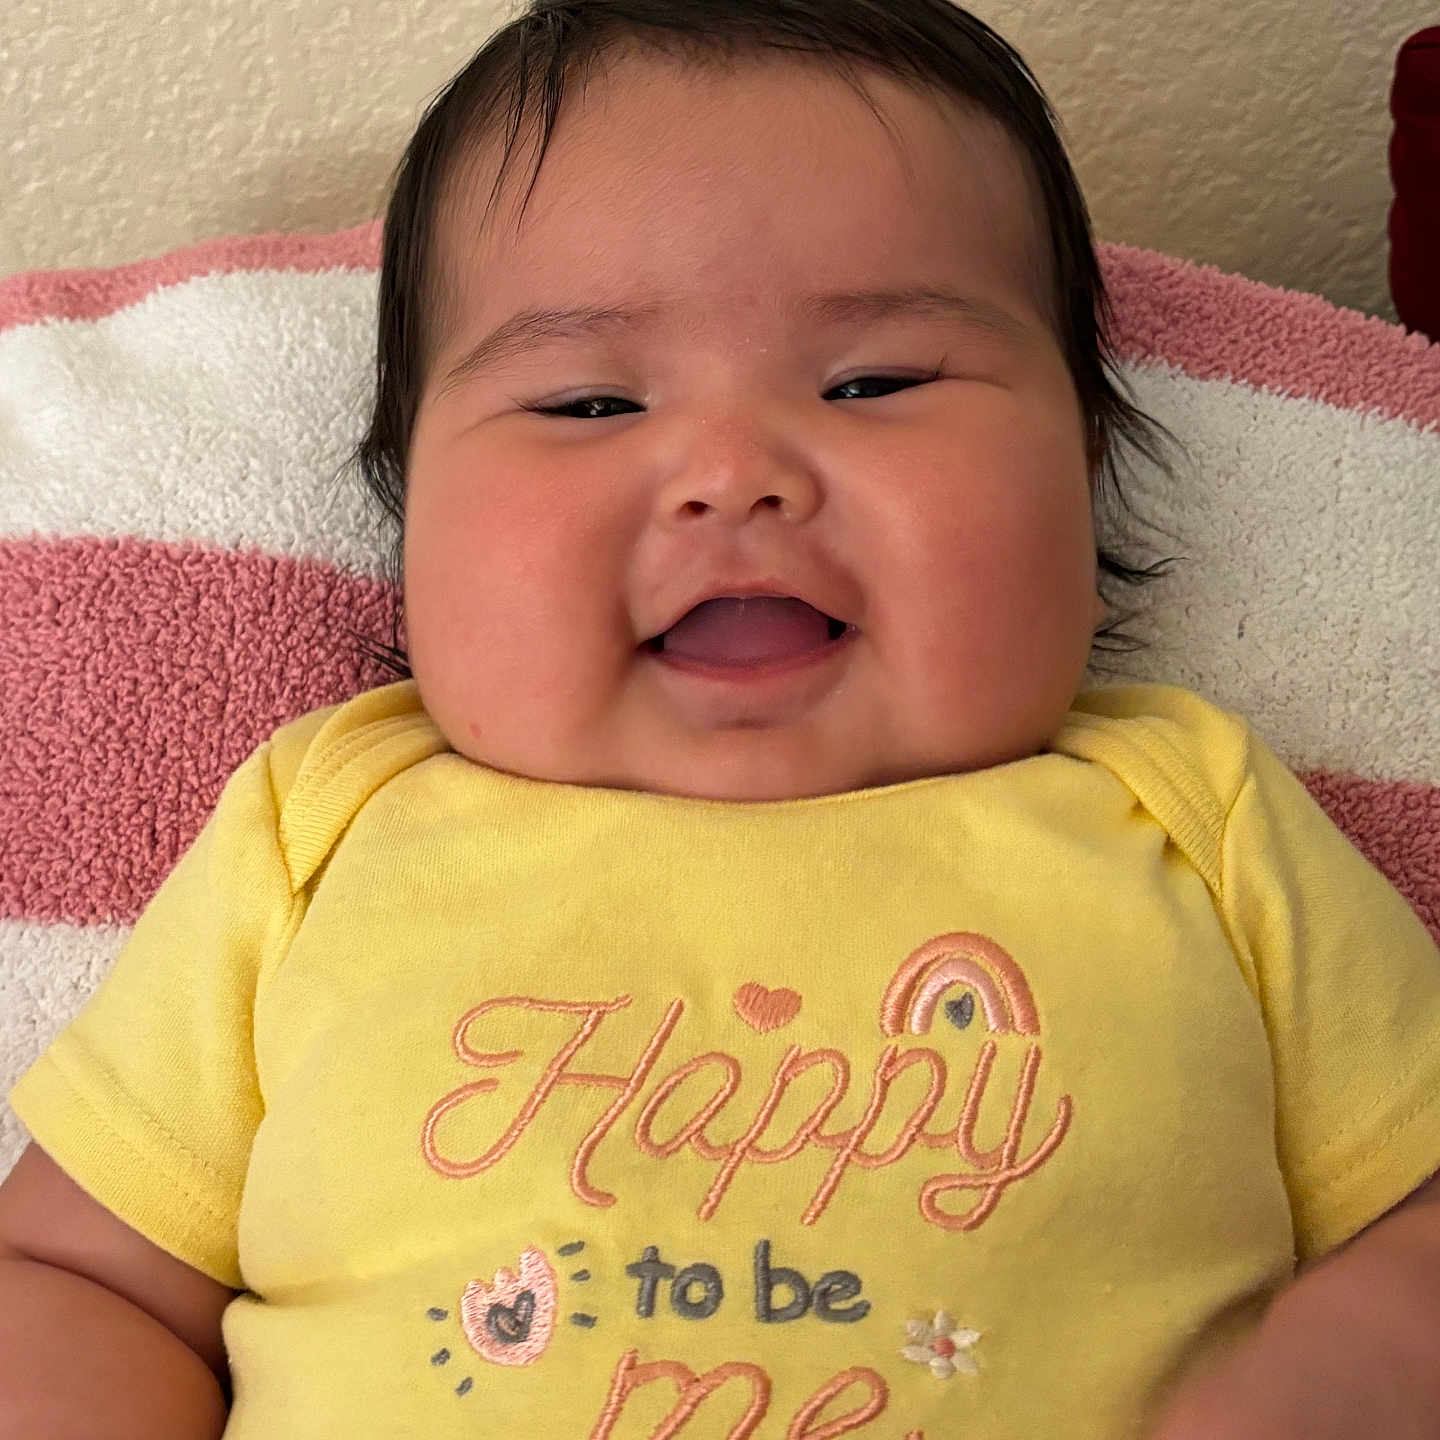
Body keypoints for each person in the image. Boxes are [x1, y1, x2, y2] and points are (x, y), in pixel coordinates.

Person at [3, 2, 1439, 1436]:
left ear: (1087, 468)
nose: (733, 475)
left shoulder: (1194, 816)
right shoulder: (324, 828)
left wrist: (1343, 1365)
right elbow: (75, 1276)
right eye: (585, 401)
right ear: (409, 520)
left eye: (876, 382)